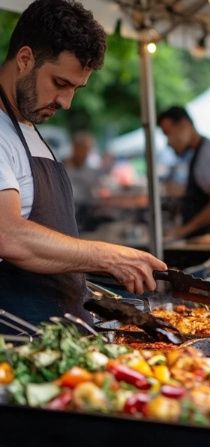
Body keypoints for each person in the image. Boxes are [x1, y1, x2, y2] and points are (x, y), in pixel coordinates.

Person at [0, 0, 167, 324]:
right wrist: (105, 256)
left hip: (65, 333)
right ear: (24, 59)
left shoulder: (30, 128)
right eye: (61, 83)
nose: (66, 101)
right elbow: (8, 234)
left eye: (76, 88)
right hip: (20, 344)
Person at [157, 106, 210, 239]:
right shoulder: (200, 152)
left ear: (184, 125)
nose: (168, 142)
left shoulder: (208, 154)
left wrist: (184, 230)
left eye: (168, 133)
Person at [64, 131, 100, 231]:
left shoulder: (91, 171)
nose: (84, 153)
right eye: (82, 149)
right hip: (67, 211)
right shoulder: (61, 166)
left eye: (87, 150)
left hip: (85, 213)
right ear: (74, 148)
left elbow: (97, 192)